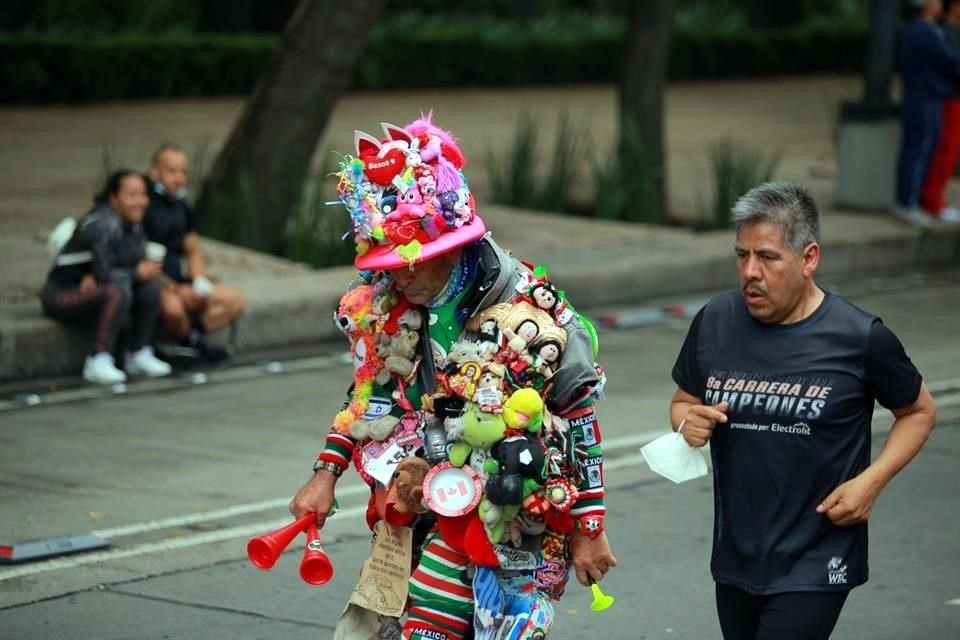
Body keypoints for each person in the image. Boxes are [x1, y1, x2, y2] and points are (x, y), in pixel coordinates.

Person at [289, 116, 616, 639]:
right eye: (389, 264)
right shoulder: (388, 301)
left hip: (512, 508)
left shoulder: (532, 310)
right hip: (418, 497)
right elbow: (370, 392)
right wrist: (325, 473)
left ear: (455, 245)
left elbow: (580, 420)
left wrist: (590, 528)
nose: (402, 275)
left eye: (415, 262)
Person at [668, 182, 937, 640]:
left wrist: (870, 483)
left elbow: (919, 411)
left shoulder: (859, 337)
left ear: (808, 258)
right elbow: (682, 403)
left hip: (818, 553)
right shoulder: (715, 321)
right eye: (742, 255)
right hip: (736, 553)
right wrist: (685, 424)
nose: (750, 271)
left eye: (768, 257)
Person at [42, 170, 173, 384]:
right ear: (114, 197)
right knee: (118, 290)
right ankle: (98, 358)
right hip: (64, 293)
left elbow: (127, 260)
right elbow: (107, 274)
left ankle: (137, 352)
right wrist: (134, 272)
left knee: (149, 289)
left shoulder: (133, 222)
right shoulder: (103, 224)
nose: (139, 202)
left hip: (96, 287)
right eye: (132, 195)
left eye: (143, 195)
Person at [144, 144, 245, 363]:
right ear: (155, 172)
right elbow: (142, 261)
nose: (178, 178)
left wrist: (198, 281)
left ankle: (192, 335)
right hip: (157, 282)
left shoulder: (181, 206)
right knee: (173, 308)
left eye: (183, 172)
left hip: (180, 279)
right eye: (171, 171)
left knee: (234, 300)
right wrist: (176, 290)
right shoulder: (145, 206)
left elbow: (193, 249)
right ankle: (192, 341)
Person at [894, 0, 960, 226]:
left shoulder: (928, 30)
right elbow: (950, 63)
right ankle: (907, 203)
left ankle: (914, 201)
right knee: (918, 150)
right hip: (922, 98)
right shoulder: (921, 31)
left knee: (925, 149)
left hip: (929, 97)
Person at [920, 0, 960, 222]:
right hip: (948, 100)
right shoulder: (944, 34)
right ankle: (932, 201)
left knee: (950, 153)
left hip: (953, 99)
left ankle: (935, 199)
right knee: (945, 151)